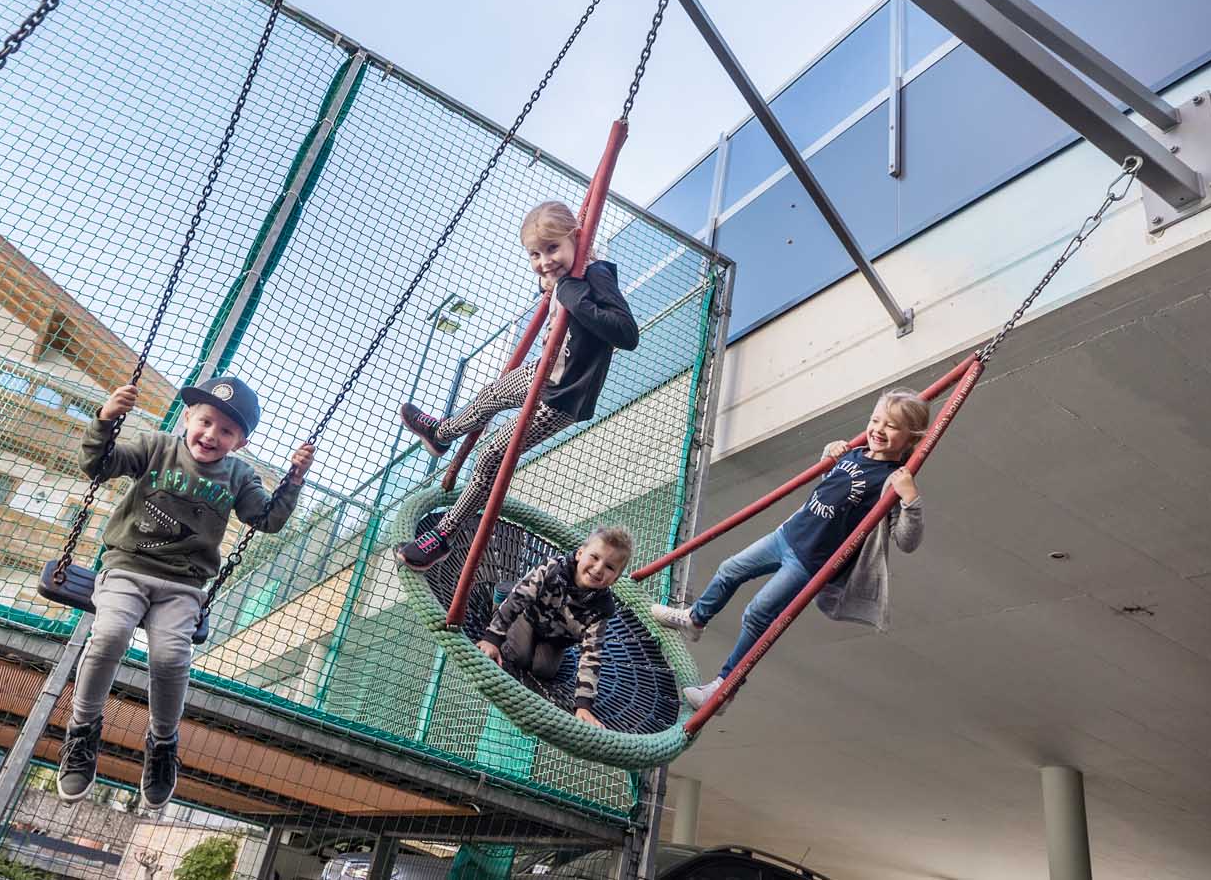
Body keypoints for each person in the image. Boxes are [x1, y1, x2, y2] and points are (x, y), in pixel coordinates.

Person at [56, 375, 314, 810]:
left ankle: (162, 744)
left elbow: (266, 520)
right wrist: (106, 419)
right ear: (188, 417)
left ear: (241, 441)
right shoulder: (157, 447)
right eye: (206, 421)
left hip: (183, 586)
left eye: (227, 431)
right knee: (110, 635)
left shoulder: (239, 475)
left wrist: (293, 480)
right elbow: (98, 466)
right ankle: (82, 731)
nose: (212, 435)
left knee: (171, 656)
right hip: (127, 568)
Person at [395, 200, 639, 570]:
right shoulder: (558, 276)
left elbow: (626, 333)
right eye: (535, 254)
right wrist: (553, 282)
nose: (545, 261)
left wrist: (571, 291)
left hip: (562, 397)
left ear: (577, 239)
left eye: (553, 248)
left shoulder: (595, 275)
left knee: (492, 456)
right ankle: (443, 434)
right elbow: (550, 278)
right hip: (542, 372)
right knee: (490, 394)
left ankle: (443, 535)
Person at [652, 389, 928, 711]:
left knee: (758, 614)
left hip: (810, 562)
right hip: (786, 535)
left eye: (892, 426)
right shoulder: (855, 453)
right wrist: (831, 451)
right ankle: (695, 620)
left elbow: (907, 541)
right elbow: (832, 487)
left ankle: (723, 688)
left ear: (912, 438)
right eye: (876, 420)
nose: (879, 429)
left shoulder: (892, 481)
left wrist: (911, 500)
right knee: (729, 569)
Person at [480, 526, 634, 727]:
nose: (598, 569)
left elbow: (591, 655)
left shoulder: (600, 610)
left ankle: (530, 645)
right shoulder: (552, 570)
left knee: (544, 670)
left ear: (615, 579)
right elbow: (517, 600)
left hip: (556, 639)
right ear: (580, 553)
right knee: (518, 655)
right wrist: (492, 639)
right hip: (528, 617)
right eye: (594, 557)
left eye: (610, 567)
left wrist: (583, 706)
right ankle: (497, 602)